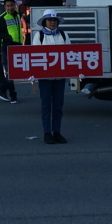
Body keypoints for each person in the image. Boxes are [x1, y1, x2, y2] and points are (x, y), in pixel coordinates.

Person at [31, 10, 70, 144]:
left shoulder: (64, 35)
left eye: (54, 20)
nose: (52, 22)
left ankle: (57, 132)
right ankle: (47, 133)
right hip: (45, 79)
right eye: (49, 20)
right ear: (45, 22)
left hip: (60, 78)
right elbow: (34, 56)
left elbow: (70, 54)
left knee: (58, 106)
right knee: (46, 106)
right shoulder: (39, 36)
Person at [0, 0, 25, 103]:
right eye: (8, 6)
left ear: (15, 5)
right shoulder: (2, 17)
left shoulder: (18, 15)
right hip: (7, 46)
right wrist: (7, 38)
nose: (10, 8)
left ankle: (2, 90)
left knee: (16, 70)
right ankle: (13, 95)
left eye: (12, 5)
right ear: (5, 7)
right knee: (10, 72)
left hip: (17, 45)